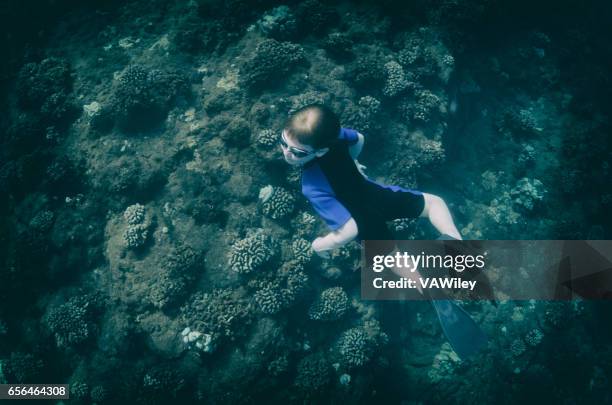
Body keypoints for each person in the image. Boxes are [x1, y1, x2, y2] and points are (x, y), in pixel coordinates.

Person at [279, 103, 463, 259]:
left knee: (393, 258)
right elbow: (359, 139)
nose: (287, 152)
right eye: (283, 141)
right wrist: (353, 160)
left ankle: (430, 291)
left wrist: (319, 245)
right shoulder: (335, 136)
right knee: (434, 203)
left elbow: (349, 230)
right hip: (376, 195)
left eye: (297, 152)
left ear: (320, 151)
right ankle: (456, 242)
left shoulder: (311, 185)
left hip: (363, 223)